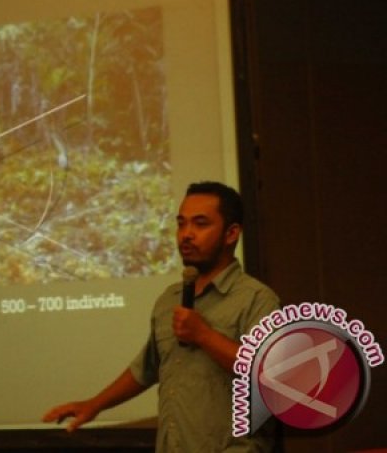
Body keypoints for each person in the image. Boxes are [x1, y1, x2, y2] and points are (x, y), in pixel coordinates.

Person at [42, 181, 279, 452]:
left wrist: (204, 335)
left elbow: (269, 377)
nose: (186, 234)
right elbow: (146, 367)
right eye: (182, 224)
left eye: (200, 224)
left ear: (231, 234)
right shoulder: (170, 299)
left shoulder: (256, 299)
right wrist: (94, 404)